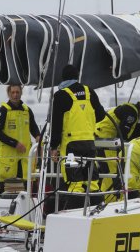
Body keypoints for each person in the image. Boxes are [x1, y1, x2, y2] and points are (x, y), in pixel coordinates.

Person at [50, 64, 105, 209]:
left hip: (71, 147)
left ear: (63, 78)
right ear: (77, 76)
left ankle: (74, 213)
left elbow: (56, 123)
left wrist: (53, 147)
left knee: (74, 181)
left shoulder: (61, 95)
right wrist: (86, 125)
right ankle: (97, 210)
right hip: (89, 144)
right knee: (91, 180)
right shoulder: (89, 92)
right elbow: (101, 115)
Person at [95, 97, 140, 200]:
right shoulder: (132, 113)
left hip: (105, 140)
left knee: (113, 170)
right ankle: (108, 200)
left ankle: (113, 197)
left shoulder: (132, 110)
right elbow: (123, 134)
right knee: (111, 172)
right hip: (104, 141)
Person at [0, 85, 40, 194]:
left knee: (28, 187)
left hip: (25, 156)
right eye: (13, 92)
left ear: (21, 93)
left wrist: (39, 138)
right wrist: (15, 144)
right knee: (7, 189)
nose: (15, 95)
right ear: (8, 93)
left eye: (17, 92)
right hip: (9, 157)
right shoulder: (3, 111)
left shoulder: (27, 110)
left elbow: (34, 128)